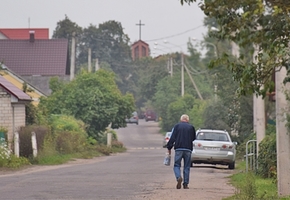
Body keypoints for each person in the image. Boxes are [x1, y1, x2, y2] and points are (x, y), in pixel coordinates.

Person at [167, 114, 196, 189]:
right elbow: (193, 138)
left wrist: (169, 146)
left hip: (179, 148)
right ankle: (185, 184)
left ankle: (178, 177)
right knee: (186, 166)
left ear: (181, 119)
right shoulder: (191, 127)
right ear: (188, 120)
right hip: (188, 149)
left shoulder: (177, 126)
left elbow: (173, 137)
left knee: (177, 165)